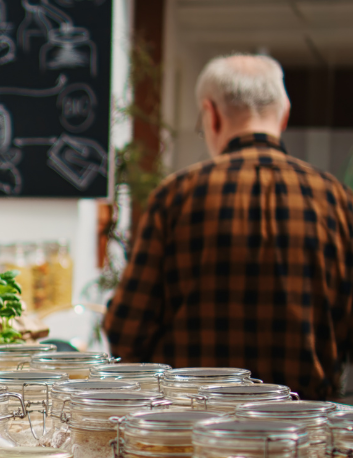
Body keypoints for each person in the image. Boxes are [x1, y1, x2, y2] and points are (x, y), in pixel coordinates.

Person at [103, 53, 353, 399]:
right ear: (284, 115)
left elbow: (126, 331)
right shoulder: (338, 201)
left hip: (194, 432)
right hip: (303, 434)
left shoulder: (176, 196)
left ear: (212, 114)